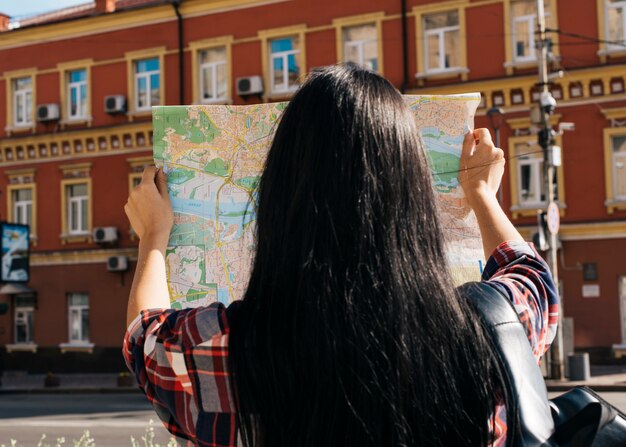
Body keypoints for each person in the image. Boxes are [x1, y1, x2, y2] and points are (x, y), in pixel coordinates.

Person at [123, 64, 558, 447]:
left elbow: (144, 338)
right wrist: (482, 196)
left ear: (278, 197)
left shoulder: (225, 348)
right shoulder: (491, 331)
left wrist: (154, 237)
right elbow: (533, 276)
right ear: (415, 195)